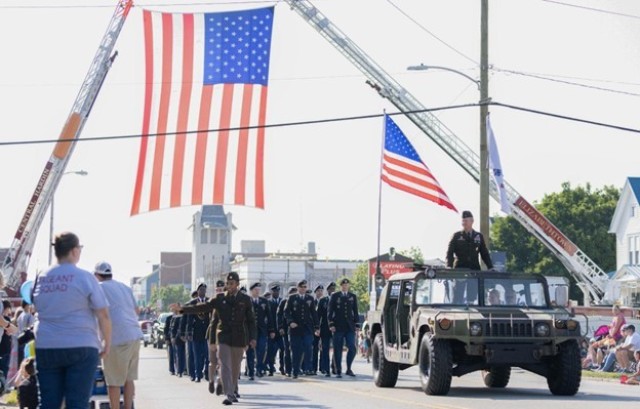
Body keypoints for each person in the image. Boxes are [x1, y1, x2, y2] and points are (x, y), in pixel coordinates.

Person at [33, 232, 112, 409]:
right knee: (77, 403)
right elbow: (103, 314)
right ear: (75, 251)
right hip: (81, 344)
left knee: (49, 402)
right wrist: (106, 342)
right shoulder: (85, 277)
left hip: (47, 345)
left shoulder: (41, 277)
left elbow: (36, 307)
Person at [181, 272, 256, 406]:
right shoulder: (219, 298)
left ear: (237, 284)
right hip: (223, 336)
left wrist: (252, 338)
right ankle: (229, 394)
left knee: (235, 367)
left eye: (232, 283)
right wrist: (182, 310)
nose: (229, 286)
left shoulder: (245, 299)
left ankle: (230, 387)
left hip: (239, 337)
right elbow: (202, 307)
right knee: (225, 365)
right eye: (228, 283)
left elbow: (251, 321)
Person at [93, 261, 142, 409]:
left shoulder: (98, 288)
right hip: (134, 335)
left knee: (113, 382)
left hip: (117, 337)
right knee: (129, 378)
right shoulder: (125, 287)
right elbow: (137, 311)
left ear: (97, 275)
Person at [446, 210, 493, 303]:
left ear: (472, 221)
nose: (464, 223)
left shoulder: (478, 236)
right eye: (463, 221)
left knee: (472, 295)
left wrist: (490, 267)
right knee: (458, 296)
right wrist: (449, 266)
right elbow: (449, 252)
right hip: (460, 269)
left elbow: (484, 253)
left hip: (474, 269)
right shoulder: (457, 236)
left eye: (466, 221)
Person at [284, 280, 319, 379]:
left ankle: (307, 368)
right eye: (301, 287)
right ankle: (295, 370)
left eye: (305, 287)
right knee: (296, 351)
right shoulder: (292, 298)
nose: (303, 288)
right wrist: (290, 322)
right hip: (295, 329)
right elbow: (286, 312)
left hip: (307, 328)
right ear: (298, 288)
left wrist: (317, 327)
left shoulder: (310, 298)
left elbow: (314, 313)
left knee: (308, 346)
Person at [328, 278, 359, 378]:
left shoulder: (352, 296)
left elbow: (355, 311)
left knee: (352, 347)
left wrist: (357, 324)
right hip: (338, 326)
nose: (345, 287)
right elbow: (330, 311)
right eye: (343, 285)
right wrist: (331, 324)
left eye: (347, 285)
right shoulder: (335, 296)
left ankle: (349, 368)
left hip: (349, 326)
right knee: (338, 349)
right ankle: (338, 370)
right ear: (341, 286)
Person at [246, 282, 273, 380]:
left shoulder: (264, 301)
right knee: (250, 351)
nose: (257, 292)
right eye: (255, 290)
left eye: (258, 290)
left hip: (261, 330)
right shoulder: (246, 301)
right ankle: (251, 371)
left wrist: (271, 330)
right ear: (251, 291)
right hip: (249, 330)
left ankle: (259, 368)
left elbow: (269, 316)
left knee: (261, 349)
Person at [185, 283, 210, 383]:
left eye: (204, 290)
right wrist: (189, 332)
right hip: (196, 333)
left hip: (207, 333)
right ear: (198, 291)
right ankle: (198, 375)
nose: (203, 292)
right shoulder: (193, 303)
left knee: (207, 355)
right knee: (197, 355)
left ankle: (207, 373)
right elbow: (189, 320)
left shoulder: (209, 302)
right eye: (201, 290)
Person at [208, 280, 225, 395]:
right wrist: (212, 341)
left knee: (222, 362)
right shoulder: (212, 302)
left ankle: (220, 382)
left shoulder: (227, 302)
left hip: (224, 337)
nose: (220, 291)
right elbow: (212, 324)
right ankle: (211, 380)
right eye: (218, 290)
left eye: (221, 289)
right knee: (213, 362)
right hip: (213, 335)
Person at [317, 282, 335, 377]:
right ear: (327, 290)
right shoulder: (323, 301)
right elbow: (318, 315)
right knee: (325, 349)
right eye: (331, 289)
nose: (333, 291)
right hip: (325, 328)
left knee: (337, 349)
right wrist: (317, 328)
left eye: (334, 289)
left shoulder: (338, 299)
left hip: (336, 328)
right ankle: (326, 369)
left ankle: (334, 367)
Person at [277, 287, 297, 377]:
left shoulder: (298, 302)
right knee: (287, 350)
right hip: (285, 330)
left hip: (296, 330)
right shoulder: (284, 302)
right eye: (292, 293)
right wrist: (280, 327)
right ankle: (287, 369)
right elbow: (279, 315)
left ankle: (295, 368)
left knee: (296, 350)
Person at [266, 284, 285, 376]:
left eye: (277, 291)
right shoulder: (268, 303)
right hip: (272, 331)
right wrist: (270, 330)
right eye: (274, 291)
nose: (276, 293)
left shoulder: (282, 301)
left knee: (283, 349)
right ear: (271, 292)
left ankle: (282, 367)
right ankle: (270, 368)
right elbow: (268, 318)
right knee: (271, 351)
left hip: (281, 331)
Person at [170, 304, 186, 378]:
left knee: (185, 356)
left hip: (185, 339)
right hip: (178, 339)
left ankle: (184, 370)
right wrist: (173, 337)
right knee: (179, 355)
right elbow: (173, 329)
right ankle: (179, 371)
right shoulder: (176, 318)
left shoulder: (185, 317)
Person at [311, 284, 324, 374]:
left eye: (321, 291)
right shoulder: (312, 302)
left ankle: (322, 367)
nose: (320, 293)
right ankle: (314, 368)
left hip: (323, 328)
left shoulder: (325, 301)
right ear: (315, 292)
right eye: (318, 291)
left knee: (323, 348)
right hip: (314, 329)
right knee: (314, 349)